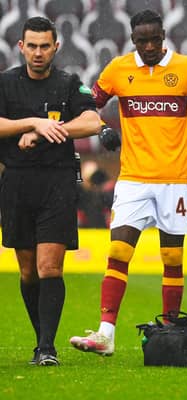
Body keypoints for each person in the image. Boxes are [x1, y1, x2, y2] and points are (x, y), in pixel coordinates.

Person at [69, 9, 187, 356]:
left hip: (175, 181)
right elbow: (86, 108)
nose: (150, 46)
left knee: (172, 257)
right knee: (118, 251)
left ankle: (171, 334)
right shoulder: (118, 70)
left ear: (164, 35)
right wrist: (102, 127)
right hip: (133, 180)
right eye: (142, 40)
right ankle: (105, 334)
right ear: (133, 40)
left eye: (155, 38)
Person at [0, 16, 102, 366]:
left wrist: (46, 131)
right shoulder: (6, 83)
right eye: (32, 46)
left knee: (49, 268)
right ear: (21, 47)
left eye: (45, 46)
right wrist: (31, 122)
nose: (39, 52)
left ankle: (47, 347)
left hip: (57, 182)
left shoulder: (69, 83)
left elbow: (93, 121)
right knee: (28, 272)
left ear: (56, 47)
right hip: (16, 182)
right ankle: (39, 340)